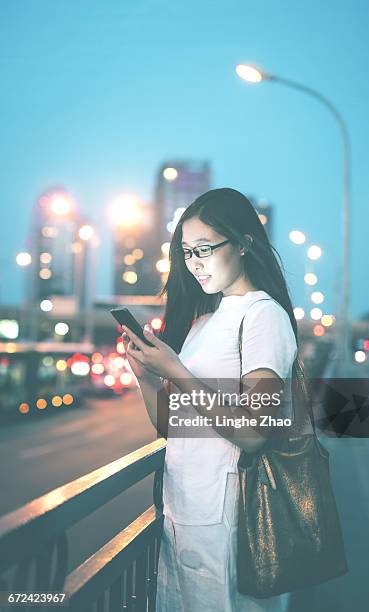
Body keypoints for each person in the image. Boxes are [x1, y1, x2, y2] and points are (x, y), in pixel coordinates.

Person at [122, 188, 305, 611]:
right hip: (183, 514)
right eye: (187, 253)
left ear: (243, 243)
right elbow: (172, 428)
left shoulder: (263, 315)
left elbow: (256, 432)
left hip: (232, 522)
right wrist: (149, 381)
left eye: (205, 248)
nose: (195, 263)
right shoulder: (204, 321)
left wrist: (179, 374)